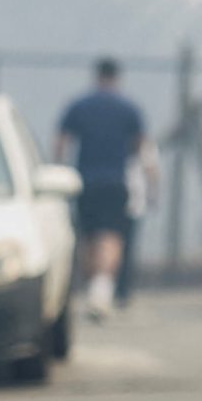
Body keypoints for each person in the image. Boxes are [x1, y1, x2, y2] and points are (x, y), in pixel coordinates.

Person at [55, 57, 158, 321]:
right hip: (115, 182)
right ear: (117, 77)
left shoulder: (79, 106)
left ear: (97, 76)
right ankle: (101, 289)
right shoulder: (129, 109)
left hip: (84, 182)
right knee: (111, 237)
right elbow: (143, 149)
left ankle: (94, 287)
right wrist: (151, 184)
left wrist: (58, 172)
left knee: (88, 238)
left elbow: (62, 142)